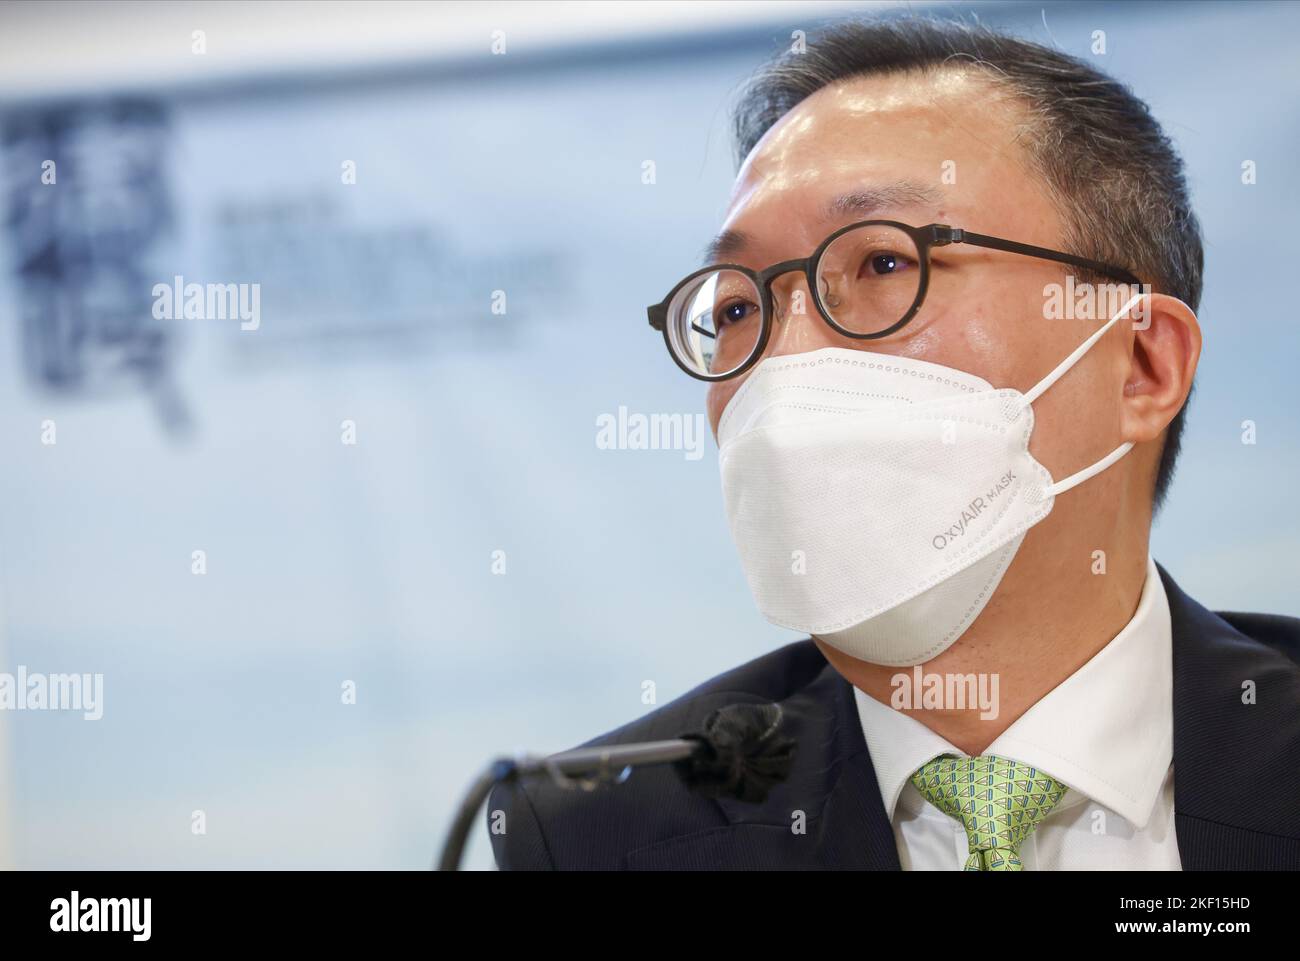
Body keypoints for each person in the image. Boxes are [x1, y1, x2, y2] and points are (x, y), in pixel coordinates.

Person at [486, 17, 1300, 870]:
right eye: (736, 308)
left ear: (1140, 366)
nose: (782, 365)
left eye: (881, 264)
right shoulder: (601, 835)